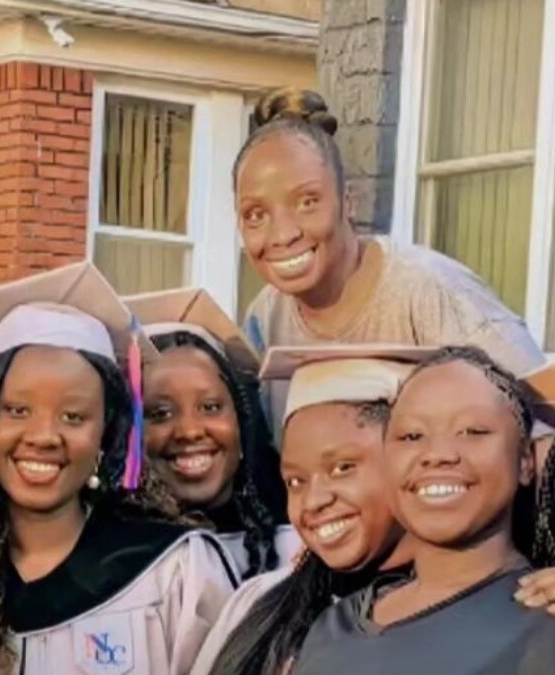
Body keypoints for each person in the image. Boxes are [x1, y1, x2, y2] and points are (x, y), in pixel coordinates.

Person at [0, 262, 237, 675]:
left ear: (106, 435)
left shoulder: (175, 572)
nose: (43, 435)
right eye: (18, 410)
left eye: (74, 417)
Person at [200, 346, 555, 675]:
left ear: (526, 459)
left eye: (473, 431)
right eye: (412, 436)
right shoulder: (330, 623)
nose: (438, 454)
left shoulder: (537, 622)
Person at [235, 88, 545, 428]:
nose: (283, 234)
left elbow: (544, 410)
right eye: (255, 214)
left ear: (348, 201)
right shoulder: (264, 318)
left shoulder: (432, 294)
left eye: (308, 201)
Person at [126, 288, 297, 578]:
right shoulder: (111, 566)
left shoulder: (296, 546)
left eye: (210, 406)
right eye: (160, 413)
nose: (190, 431)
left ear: (241, 423)